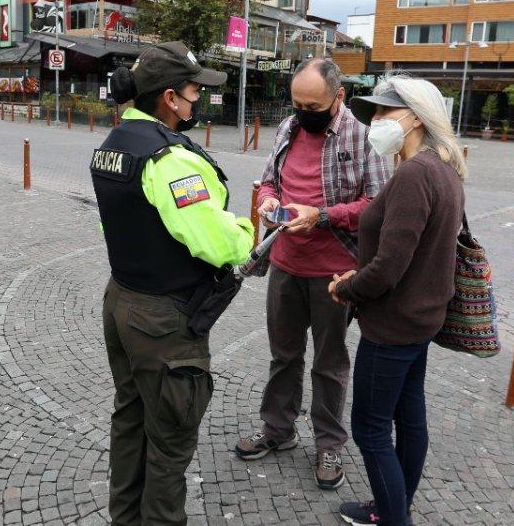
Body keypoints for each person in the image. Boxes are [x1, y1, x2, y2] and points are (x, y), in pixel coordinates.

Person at [90, 41, 255, 526]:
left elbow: (114, 224)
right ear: (168, 97)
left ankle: (125, 517)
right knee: (170, 440)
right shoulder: (170, 160)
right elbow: (216, 242)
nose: (196, 99)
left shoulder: (113, 146)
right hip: (163, 319)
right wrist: (247, 232)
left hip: (122, 301)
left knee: (131, 422)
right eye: (191, 90)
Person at [234, 58, 388, 490]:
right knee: (283, 355)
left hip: (334, 275)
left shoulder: (362, 138)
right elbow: (268, 182)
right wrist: (268, 203)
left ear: (338, 97)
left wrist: (322, 216)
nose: (304, 112)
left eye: (313, 105)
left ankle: (328, 444)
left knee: (330, 362)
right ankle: (278, 430)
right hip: (285, 262)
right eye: (298, 103)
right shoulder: (288, 128)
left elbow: (377, 206)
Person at [327, 76, 467, 526]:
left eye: (387, 113)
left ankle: (392, 518)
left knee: (370, 429)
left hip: (393, 326)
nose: (377, 121)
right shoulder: (444, 168)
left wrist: (346, 286)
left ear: (415, 119)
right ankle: (393, 506)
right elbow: (413, 252)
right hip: (422, 319)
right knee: (409, 416)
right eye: (376, 113)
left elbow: (389, 265)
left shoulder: (414, 174)